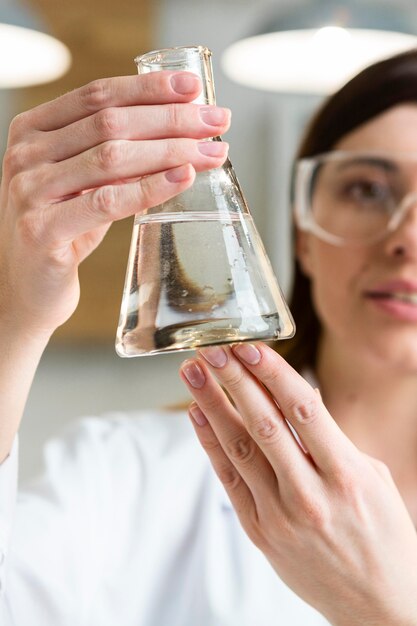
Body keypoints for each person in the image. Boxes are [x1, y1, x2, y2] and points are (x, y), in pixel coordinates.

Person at [0, 47, 417, 625]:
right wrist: (11, 319)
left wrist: (385, 608)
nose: (407, 240)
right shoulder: (124, 474)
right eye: (368, 190)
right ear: (301, 234)